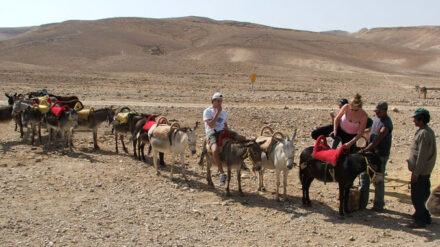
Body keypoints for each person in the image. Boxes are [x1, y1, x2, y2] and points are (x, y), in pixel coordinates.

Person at [203, 92, 246, 186]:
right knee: (214, 150)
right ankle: (222, 173)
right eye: (218, 101)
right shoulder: (207, 111)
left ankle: (241, 162)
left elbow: (225, 125)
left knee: (243, 139)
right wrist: (217, 113)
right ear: (213, 101)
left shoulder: (224, 113)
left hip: (223, 131)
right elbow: (210, 125)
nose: (220, 103)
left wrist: (233, 134)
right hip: (212, 134)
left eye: (221, 101)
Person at [359, 101, 393, 211]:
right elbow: (372, 134)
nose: (377, 114)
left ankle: (378, 205)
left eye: (379, 112)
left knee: (378, 180)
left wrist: (365, 149)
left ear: (384, 111)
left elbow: (377, 141)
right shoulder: (377, 119)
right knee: (364, 177)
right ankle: (362, 203)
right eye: (376, 111)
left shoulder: (386, 125)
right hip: (370, 153)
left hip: (380, 156)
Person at [406, 108, 437, 228]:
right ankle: (425, 216)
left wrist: (416, 173)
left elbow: (422, 156)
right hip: (423, 171)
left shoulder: (424, 134)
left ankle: (420, 220)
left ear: (421, 119)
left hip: (421, 172)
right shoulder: (425, 131)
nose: (413, 120)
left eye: (415, 118)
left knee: (417, 196)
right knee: (423, 195)